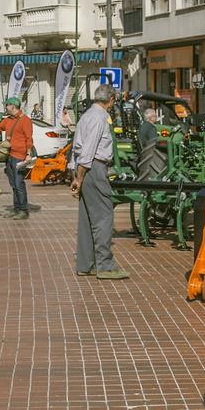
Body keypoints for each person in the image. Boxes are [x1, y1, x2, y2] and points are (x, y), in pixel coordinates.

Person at [70, 84, 127, 280]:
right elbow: (89, 149)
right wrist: (80, 175)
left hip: (84, 168)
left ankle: (86, 264)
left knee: (86, 218)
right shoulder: (100, 117)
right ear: (110, 100)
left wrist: (76, 175)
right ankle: (105, 265)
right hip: (93, 167)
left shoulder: (86, 116)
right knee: (104, 215)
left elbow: (76, 147)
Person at [0, 97, 34, 220]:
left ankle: (24, 210)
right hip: (10, 156)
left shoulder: (25, 120)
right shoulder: (8, 120)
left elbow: (29, 139)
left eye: (7, 105)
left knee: (19, 184)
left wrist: (28, 154)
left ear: (13, 106)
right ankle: (16, 209)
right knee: (13, 184)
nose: (5, 108)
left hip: (20, 156)